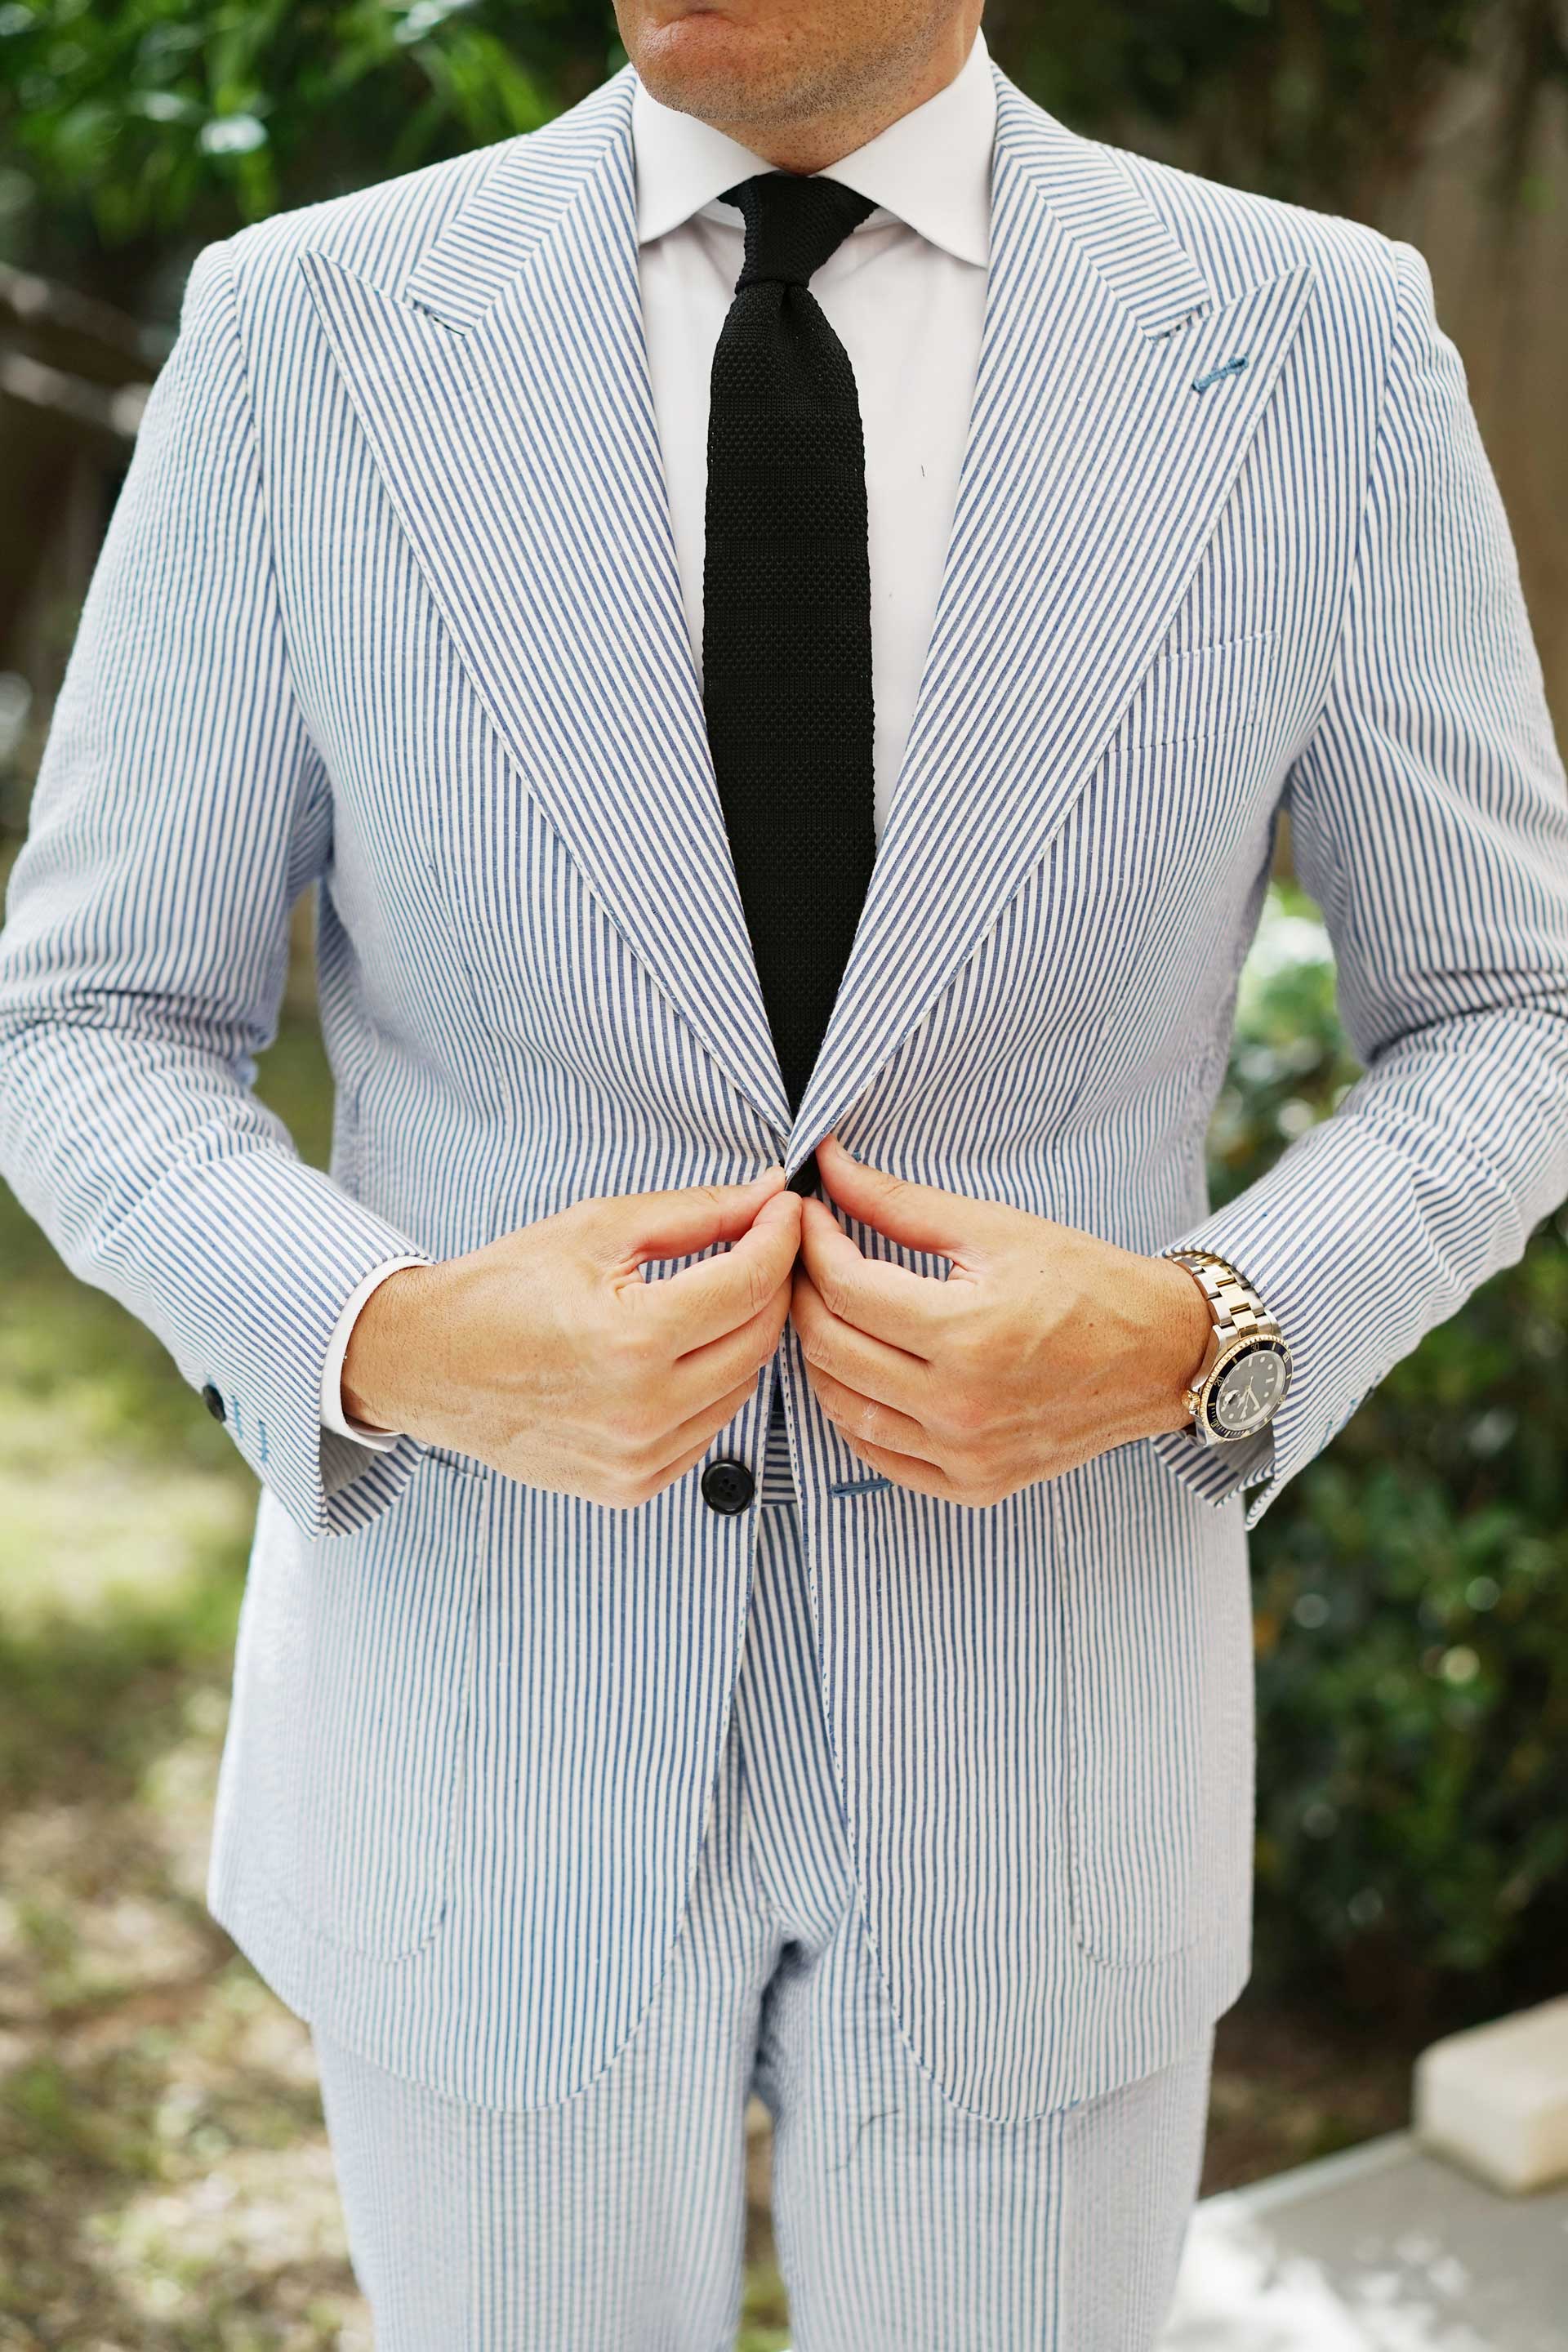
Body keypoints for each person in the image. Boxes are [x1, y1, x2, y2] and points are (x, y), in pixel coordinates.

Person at [2, 0, 1566, 2343]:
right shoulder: (305, 333)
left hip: (1042, 1781)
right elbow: (89, 1019)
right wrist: (393, 1339)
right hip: (485, 1762)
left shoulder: (1312, 348)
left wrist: (1201, 1331)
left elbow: (1512, 1014)